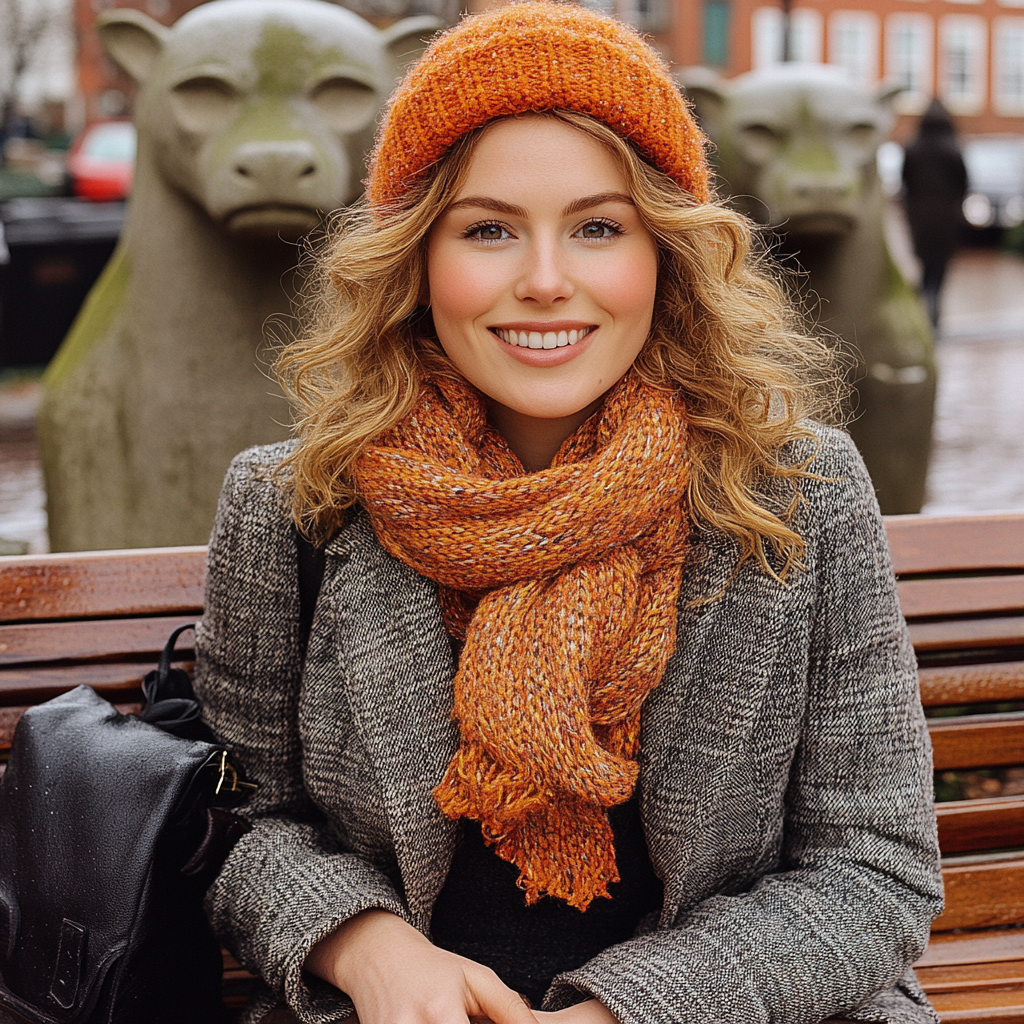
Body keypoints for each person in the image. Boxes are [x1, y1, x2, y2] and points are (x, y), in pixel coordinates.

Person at [193, 5, 943, 1023]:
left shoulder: (796, 493)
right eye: (488, 229)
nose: (544, 282)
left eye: (597, 227)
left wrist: (623, 1011)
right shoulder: (298, 505)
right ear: (416, 257)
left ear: (665, 252)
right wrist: (364, 948)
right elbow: (239, 818)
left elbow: (875, 870)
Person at [901, 98, 968, 329]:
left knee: (926, 266)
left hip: (919, 216)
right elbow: (964, 184)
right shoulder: (954, 148)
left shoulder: (912, 148)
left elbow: (905, 182)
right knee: (939, 268)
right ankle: (932, 310)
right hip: (946, 217)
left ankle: (925, 308)